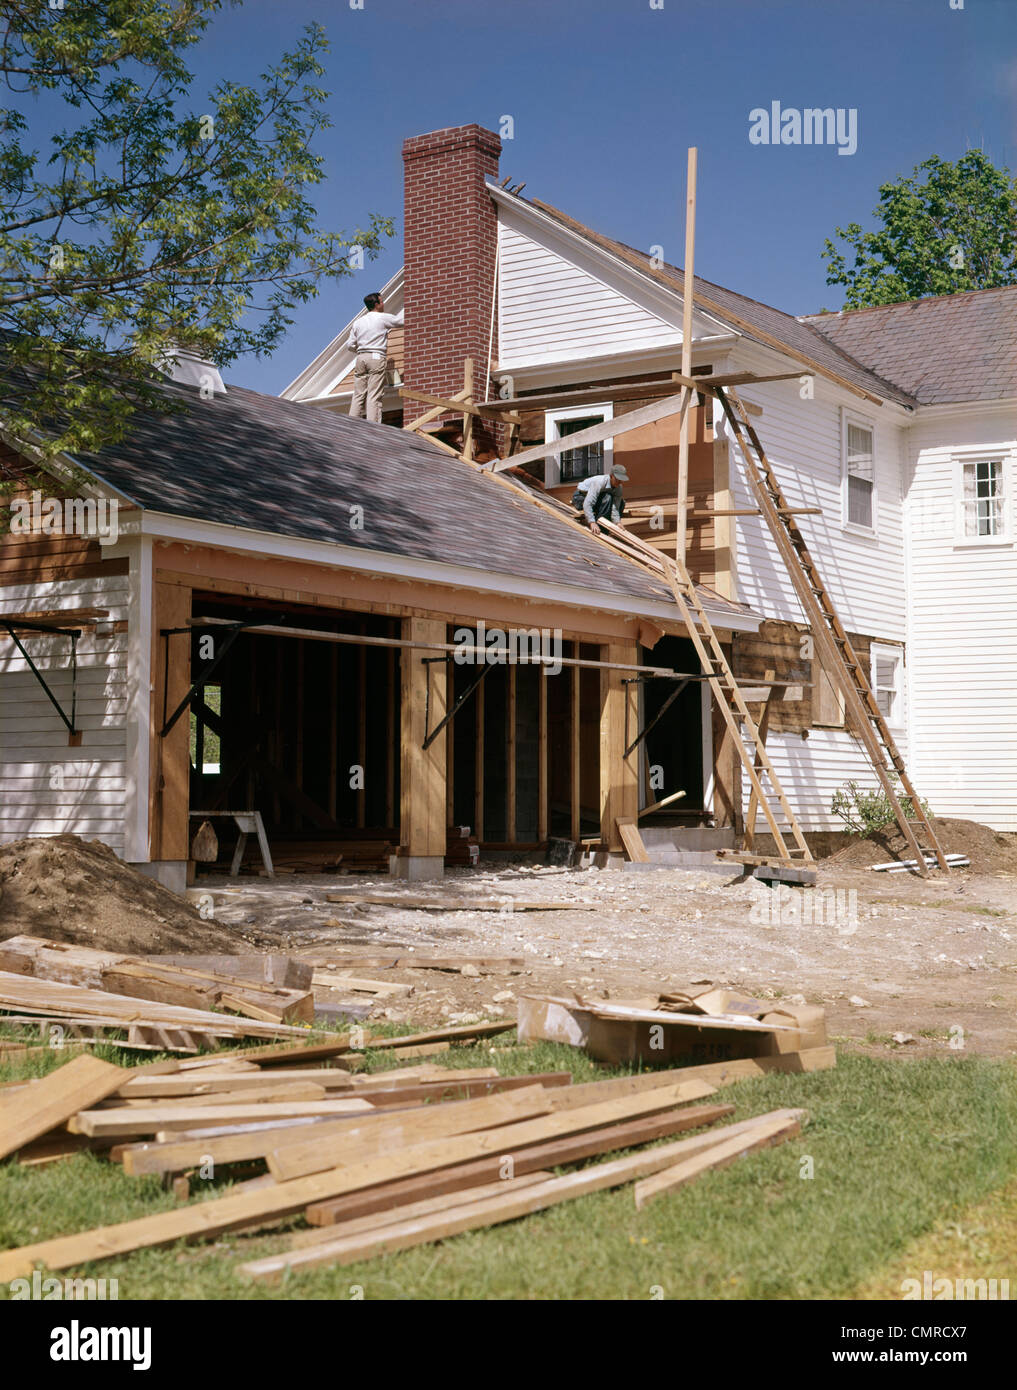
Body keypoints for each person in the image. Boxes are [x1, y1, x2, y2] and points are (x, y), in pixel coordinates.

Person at [348, 292, 404, 424]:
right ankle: (373, 426)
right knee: (374, 396)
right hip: (376, 357)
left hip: (361, 358)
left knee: (358, 394)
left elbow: (349, 345)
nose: (383, 303)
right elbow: (402, 321)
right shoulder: (382, 318)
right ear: (377, 304)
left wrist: (362, 350)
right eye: (382, 301)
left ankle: (350, 423)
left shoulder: (358, 322)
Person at [571, 464, 629, 535]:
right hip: (580, 498)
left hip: (598, 500)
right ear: (611, 476)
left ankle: (610, 526)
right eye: (617, 479)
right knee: (607, 498)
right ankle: (601, 529)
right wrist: (592, 522)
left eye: (621, 480)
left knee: (622, 502)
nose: (619, 482)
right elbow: (587, 503)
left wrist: (617, 522)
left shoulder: (619, 488)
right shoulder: (599, 482)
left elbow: (615, 507)